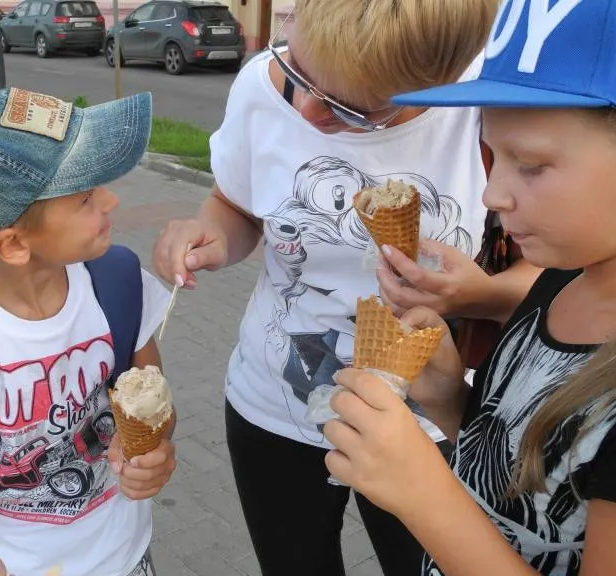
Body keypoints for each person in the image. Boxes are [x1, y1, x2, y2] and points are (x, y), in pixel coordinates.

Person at [324, 0, 616, 574]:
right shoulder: (566, 275)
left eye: (532, 165)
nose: (492, 195)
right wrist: (451, 403)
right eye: (493, 156)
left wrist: (425, 495)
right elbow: (530, 473)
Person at [151, 0, 541, 574]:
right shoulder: (261, 87)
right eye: (301, 76)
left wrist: (475, 294)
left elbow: (555, 280)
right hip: (273, 407)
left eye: (350, 110)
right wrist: (210, 233)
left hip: (429, 422)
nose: (308, 110)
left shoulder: (484, 107)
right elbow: (235, 206)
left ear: (430, 85)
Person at [0, 88, 177, 576]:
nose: (111, 198)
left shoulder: (120, 284)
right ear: (15, 245)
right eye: (86, 197)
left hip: (124, 556)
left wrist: (156, 450)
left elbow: (157, 411)